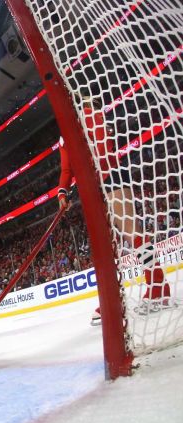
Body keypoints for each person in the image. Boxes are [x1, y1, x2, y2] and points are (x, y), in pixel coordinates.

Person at [58, 97, 171, 325]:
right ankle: (112, 299)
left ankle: (158, 286)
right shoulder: (64, 133)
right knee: (104, 245)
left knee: (132, 232)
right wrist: (62, 192)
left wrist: (96, 179)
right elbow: (66, 168)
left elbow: (103, 150)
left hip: (110, 179)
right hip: (92, 187)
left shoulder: (89, 116)